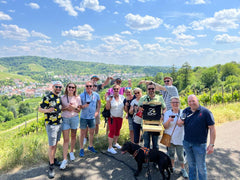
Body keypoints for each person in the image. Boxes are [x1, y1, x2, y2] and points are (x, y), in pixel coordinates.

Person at [177, 95, 216, 180]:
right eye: (189, 101)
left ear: (197, 100)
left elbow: (212, 129)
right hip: (187, 143)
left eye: (193, 101)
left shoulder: (206, 112)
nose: (191, 103)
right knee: (191, 166)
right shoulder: (186, 111)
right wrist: (179, 122)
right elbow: (181, 121)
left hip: (199, 144)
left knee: (201, 167)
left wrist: (211, 144)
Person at [38, 81, 63, 179]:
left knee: (55, 144)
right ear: (53, 87)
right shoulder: (47, 97)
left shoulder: (59, 97)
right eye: (56, 86)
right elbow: (40, 109)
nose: (58, 88)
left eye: (60, 87)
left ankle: (53, 159)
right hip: (51, 125)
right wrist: (47, 110)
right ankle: (51, 166)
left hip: (59, 123)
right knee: (52, 146)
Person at [163, 96, 188, 178]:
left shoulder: (183, 113)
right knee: (171, 154)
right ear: (171, 104)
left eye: (177, 102)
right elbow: (165, 126)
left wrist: (182, 122)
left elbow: (187, 124)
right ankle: (172, 167)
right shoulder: (167, 113)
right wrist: (169, 120)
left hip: (180, 138)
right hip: (170, 138)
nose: (175, 104)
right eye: (173, 102)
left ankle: (183, 169)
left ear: (179, 103)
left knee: (181, 155)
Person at [138, 82, 167, 150]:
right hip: (145, 123)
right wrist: (140, 109)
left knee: (155, 144)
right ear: (147, 89)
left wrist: (162, 114)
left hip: (156, 124)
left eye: (152, 88)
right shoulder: (143, 98)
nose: (151, 90)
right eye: (149, 89)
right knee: (146, 144)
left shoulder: (159, 98)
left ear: (155, 89)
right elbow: (138, 108)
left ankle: (155, 159)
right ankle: (146, 158)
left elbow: (165, 108)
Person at [60, 83, 81, 170]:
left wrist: (73, 108)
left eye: (73, 87)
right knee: (66, 139)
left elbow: (79, 110)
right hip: (65, 119)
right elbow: (59, 109)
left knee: (73, 136)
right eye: (70, 87)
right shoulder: (62, 98)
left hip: (74, 118)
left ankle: (71, 151)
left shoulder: (78, 98)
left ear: (75, 89)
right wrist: (66, 108)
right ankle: (64, 159)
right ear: (67, 88)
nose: (71, 89)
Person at [79, 81, 101, 157]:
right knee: (82, 133)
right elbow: (79, 106)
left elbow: (99, 103)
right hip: (84, 117)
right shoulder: (81, 95)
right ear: (85, 87)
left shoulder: (96, 95)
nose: (89, 88)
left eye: (90, 86)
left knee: (91, 133)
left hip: (92, 117)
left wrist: (97, 112)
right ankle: (81, 148)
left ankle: (90, 146)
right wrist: (84, 106)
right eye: (87, 86)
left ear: (92, 86)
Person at [105, 84, 125, 154]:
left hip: (120, 117)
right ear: (112, 90)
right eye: (114, 89)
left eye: (117, 89)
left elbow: (124, 107)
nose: (116, 90)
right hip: (112, 117)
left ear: (119, 90)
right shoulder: (110, 98)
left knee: (118, 130)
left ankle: (115, 143)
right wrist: (108, 101)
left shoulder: (122, 97)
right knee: (112, 131)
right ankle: (110, 147)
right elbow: (107, 108)